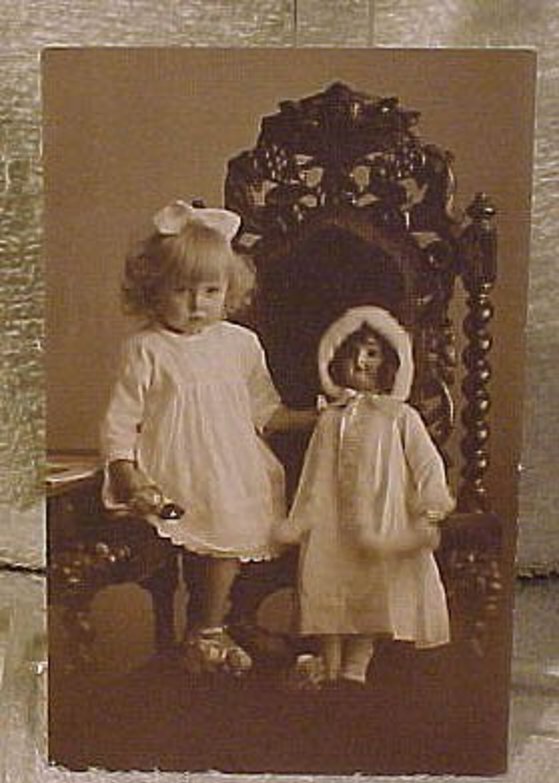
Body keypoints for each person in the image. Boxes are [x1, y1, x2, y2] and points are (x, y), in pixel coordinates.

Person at [100, 200, 315, 676]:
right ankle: (207, 633)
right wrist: (125, 470)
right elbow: (122, 420)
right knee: (200, 534)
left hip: (231, 467)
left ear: (230, 291)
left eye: (211, 291)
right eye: (181, 290)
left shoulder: (240, 344)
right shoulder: (146, 349)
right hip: (173, 469)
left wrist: (316, 418)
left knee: (229, 534)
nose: (198, 304)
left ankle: (210, 627)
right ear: (153, 289)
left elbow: (265, 410)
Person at [275, 306, 455, 689]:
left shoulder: (400, 417)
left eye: (372, 352)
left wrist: (431, 501)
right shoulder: (330, 418)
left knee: (372, 587)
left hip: (382, 516)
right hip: (331, 520)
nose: (361, 360)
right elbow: (316, 471)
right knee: (327, 580)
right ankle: (329, 659)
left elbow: (426, 462)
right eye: (353, 351)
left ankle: (357, 664)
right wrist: (304, 516)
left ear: (392, 361)